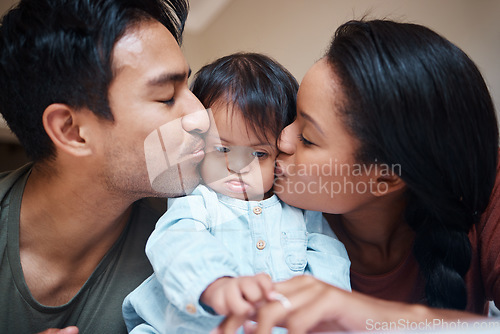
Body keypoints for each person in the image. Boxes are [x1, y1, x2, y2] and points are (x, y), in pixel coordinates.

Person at [216, 19, 500, 333]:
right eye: (293, 115)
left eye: (308, 138)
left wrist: (365, 314)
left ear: (385, 178)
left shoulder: (487, 191)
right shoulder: (256, 197)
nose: (281, 139)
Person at [0, 0, 210, 333]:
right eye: (167, 96)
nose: (201, 116)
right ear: (72, 130)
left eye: (188, 86)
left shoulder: (194, 241)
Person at [122, 53, 351, 333]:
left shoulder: (299, 209)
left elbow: (330, 261)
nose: (239, 166)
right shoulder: (197, 200)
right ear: (200, 145)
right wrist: (216, 284)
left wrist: (329, 316)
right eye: (223, 149)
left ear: (279, 151)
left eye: (258, 153)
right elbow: (175, 241)